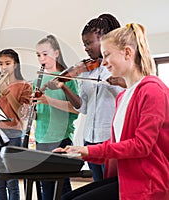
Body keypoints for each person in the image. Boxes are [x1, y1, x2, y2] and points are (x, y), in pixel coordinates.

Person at [55, 23, 169, 200]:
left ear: (128, 53)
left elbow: (141, 146)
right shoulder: (122, 97)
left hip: (148, 182)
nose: (104, 61)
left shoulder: (153, 90)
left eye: (107, 55)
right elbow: (118, 142)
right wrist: (79, 152)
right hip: (126, 177)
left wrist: (88, 151)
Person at [50, 14, 124, 182]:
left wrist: (111, 81)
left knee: (111, 186)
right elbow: (82, 107)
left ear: (105, 40)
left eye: (89, 43)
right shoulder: (87, 70)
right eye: (84, 44)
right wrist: (64, 87)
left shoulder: (117, 67)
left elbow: (124, 97)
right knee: (97, 186)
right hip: (90, 139)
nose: (86, 48)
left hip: (109, 138)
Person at [32, 35, 79, 200]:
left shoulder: (67, 78)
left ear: (57, 53)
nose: (41, 58)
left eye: (45, 54)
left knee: (62, 186)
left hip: (61, 138)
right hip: (41, 138)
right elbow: (39, 111)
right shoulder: (36, 81)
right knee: (45, 186)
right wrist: (30, 112)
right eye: (38, 55)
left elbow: (76, 109)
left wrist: (48, 100)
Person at [0, 49, 32, 200]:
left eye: (7, 63)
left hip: (13, 132)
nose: (3, 67)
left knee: (12, 178)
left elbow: (21, 113)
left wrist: (7, 92)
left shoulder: (25, 85)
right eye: (0, 64)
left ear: (15, 65)